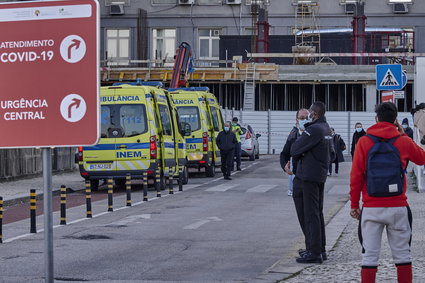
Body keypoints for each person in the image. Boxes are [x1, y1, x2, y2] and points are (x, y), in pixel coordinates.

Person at [350, 102, 425, 283]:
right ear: (395, 120)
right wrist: (402, 134)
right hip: (398, 207)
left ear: (376, 119)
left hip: (371, 208)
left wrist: (354, 205)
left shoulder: (364, 141)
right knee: (403, 256)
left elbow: (356, 176)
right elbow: (421, 159)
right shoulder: (403, 140)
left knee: (369, 258)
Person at [291, 101, 334, 264]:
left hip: (309, 176)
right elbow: (333, 154)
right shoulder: (326, 128)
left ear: (314, 114)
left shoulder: (313, 129)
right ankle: (318, 249)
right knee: (317, 213)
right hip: (319, 175)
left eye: (309, 113)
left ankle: (314, 252)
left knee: (311, 214)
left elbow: (295, 148)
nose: (308, 116)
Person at [280, 108, 309, 197]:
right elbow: (284, 154)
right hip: (297, 179)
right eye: (302, 118)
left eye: (307, 118)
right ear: (297, 120)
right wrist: (285, 166)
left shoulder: (315, 134)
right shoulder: (293, 136)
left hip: (311, 180)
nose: (305, 120)